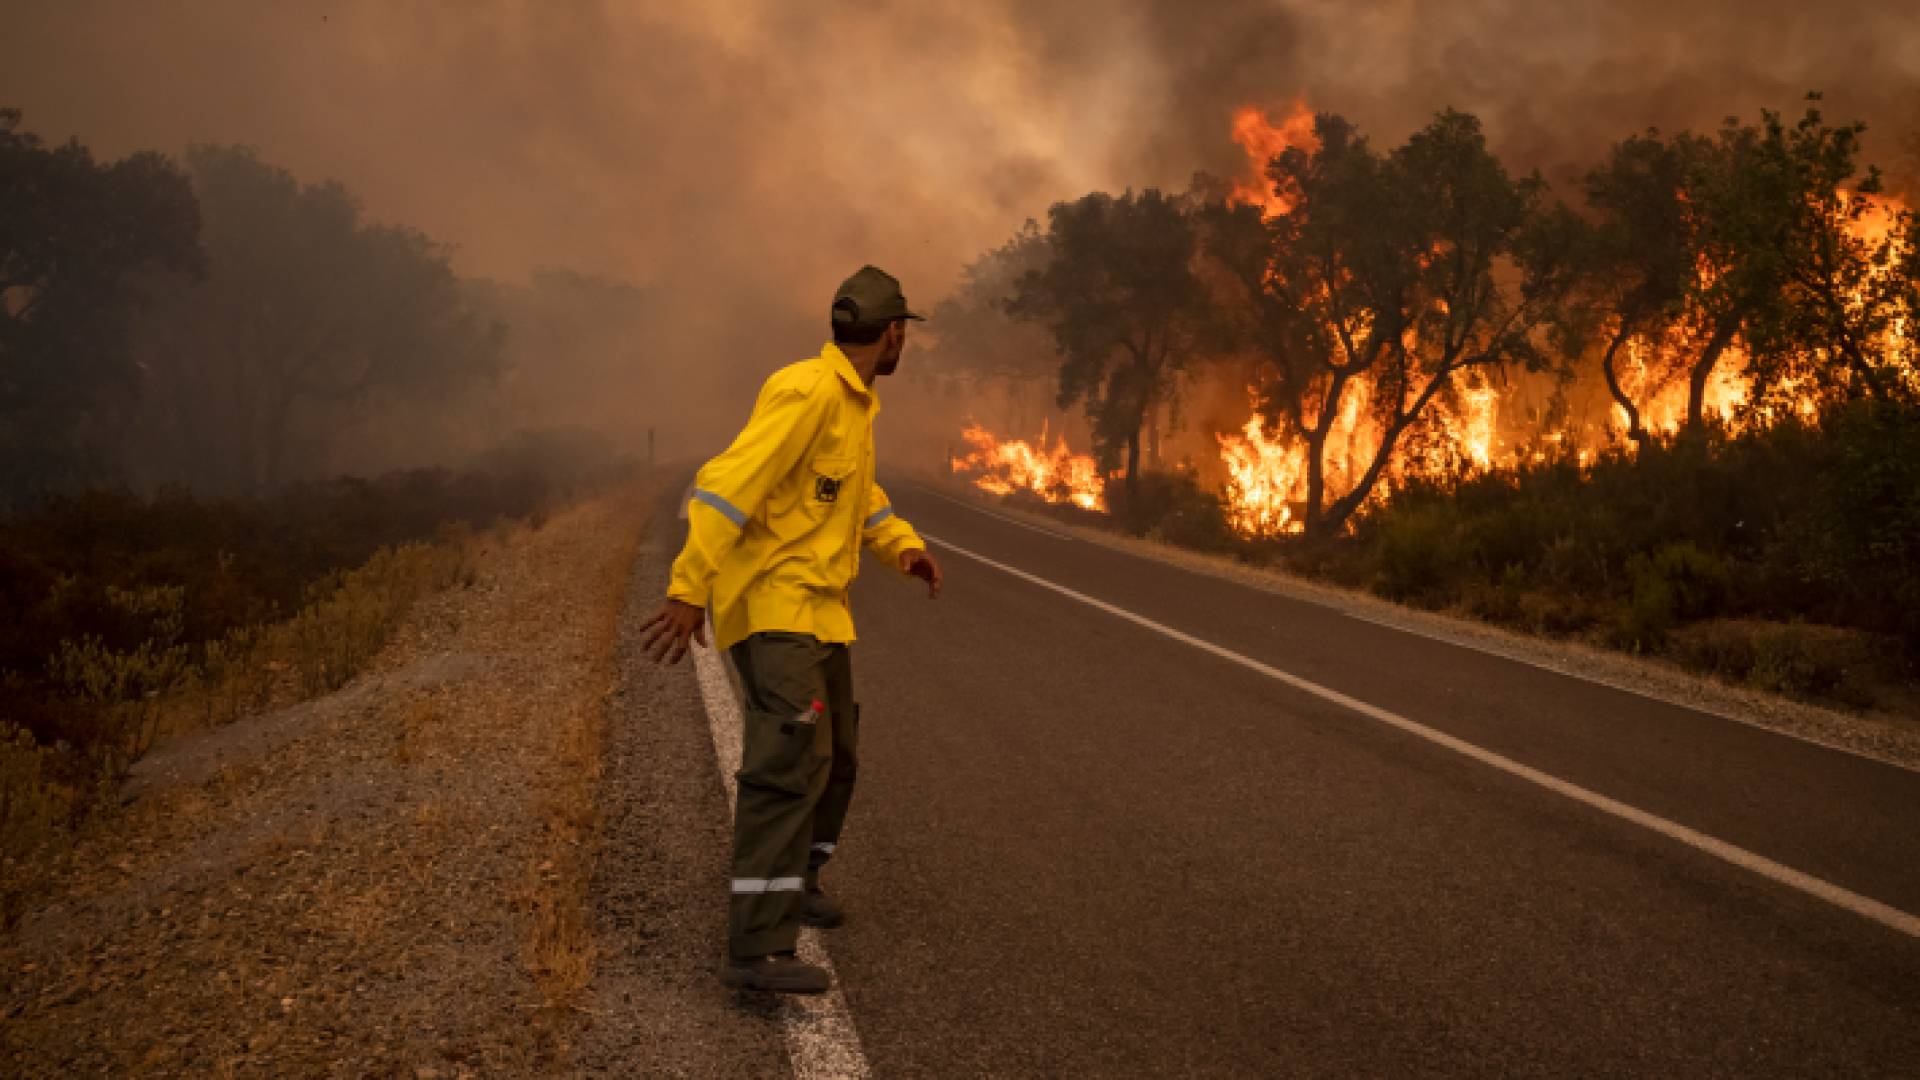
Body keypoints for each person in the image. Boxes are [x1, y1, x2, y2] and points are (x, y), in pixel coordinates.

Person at [640, 265, 944, 994]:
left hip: (822, 611)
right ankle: (757, 946)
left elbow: (859, 497)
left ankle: (799, 879)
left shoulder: (854, 405)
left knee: (836, 758)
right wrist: (688, 589)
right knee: (784, 765)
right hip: (776, 607)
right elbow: (725, 486)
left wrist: (902, 546)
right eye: (903, 331)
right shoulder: (806, 392)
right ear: (893, 333)